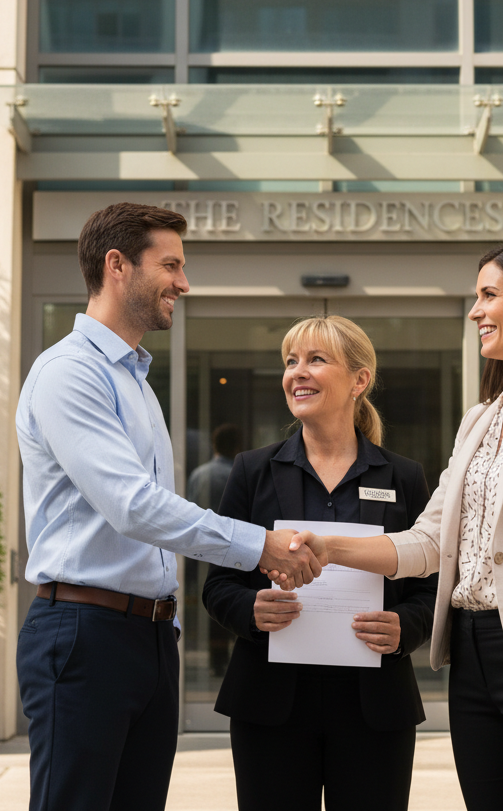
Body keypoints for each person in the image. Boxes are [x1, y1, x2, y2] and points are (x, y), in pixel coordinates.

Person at [281, 242, 503, 811]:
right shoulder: (480, 417)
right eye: (476, 298)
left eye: (490, 295)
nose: (476, 311)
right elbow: (428, 542)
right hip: (470, 656)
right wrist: (328, 546)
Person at [14, 202, 322, 811]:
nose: (184, 282)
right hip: (83, 634)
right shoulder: (69, 374)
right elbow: (134, 507)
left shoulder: (134, 382)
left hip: (150, 637)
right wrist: (258, 543)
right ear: (117, 265)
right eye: (172, 265)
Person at [202, 315, 438, 811]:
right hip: (271, 704)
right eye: (290, 362)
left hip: (375, 704)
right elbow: (218, 583)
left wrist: (405, 627)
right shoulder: (252, 471)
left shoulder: (404, 477)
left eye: (315, 360)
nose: (297, 372)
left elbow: (432, 585)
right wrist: (250, 611)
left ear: (359, 380)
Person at [186, 423, 243, 676]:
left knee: (210, 604)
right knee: (235, 602)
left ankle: (216, 661)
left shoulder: (199, 474)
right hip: (239, 551)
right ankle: (232, 657)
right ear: (238, 446)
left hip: (202, 552)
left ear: (214, 445)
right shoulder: (241, 473)